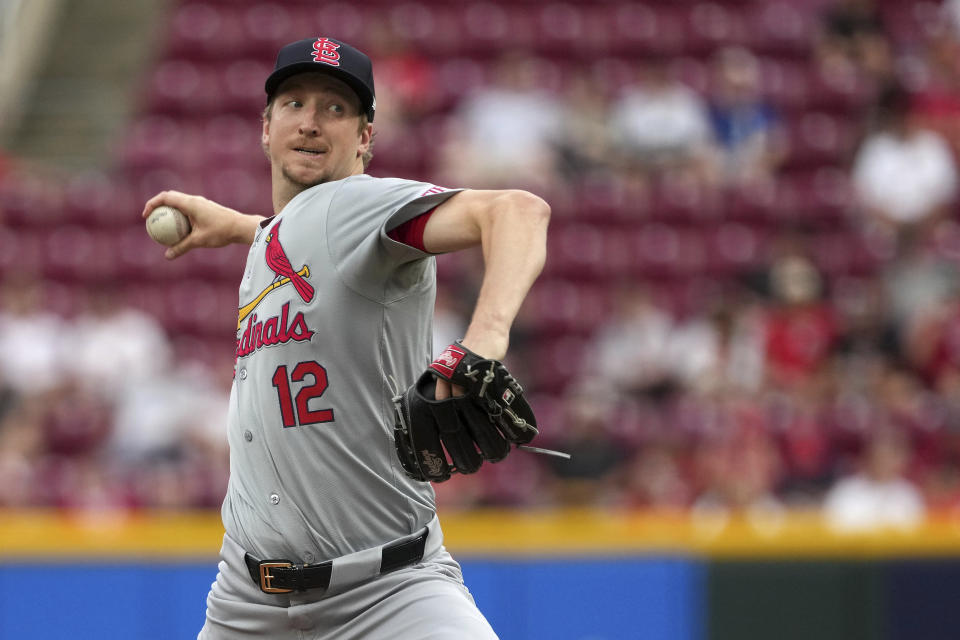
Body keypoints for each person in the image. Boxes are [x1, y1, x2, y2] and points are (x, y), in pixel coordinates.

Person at [142, 37, 550, 639]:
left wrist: (481, 345)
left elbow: (517, 211)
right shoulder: (279, 241)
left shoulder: (355, 204)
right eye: (294, 103)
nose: (310, 122)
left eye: (335, 109)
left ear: (365, 138)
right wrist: (244, 228)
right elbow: (313, 253)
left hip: (387, 597)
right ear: (265, 127)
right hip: (245, 603)